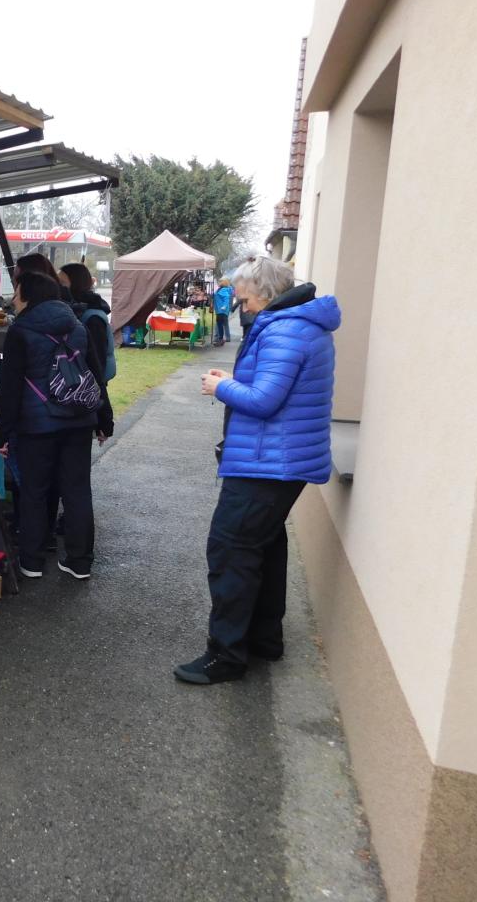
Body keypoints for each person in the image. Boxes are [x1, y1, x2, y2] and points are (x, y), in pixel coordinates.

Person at [174, 257, 341, 685]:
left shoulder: (285, 330)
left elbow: (265, 401)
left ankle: (226, 656)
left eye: (246, 299)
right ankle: (264, 640)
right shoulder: (300, 326)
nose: (242, 307)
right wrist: (235, 377)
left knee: (230, 552)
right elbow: (278, 387)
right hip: (279, 462)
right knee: (264, 548)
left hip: (267, 464)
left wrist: (222, 387)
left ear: (266, 294)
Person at [0, 272, 113, 580]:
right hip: (79, 421)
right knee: (77, 490)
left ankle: (32, 561)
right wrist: (104, 419)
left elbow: (10, 389)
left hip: (37, 426)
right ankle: (80, 561)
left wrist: (1, 434)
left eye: (17, 293)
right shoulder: (77, 326)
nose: (13, 299)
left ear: (29, 296)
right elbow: (95, 374)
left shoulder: (20, 331)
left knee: (34, 491)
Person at [61, 262, 115, 381]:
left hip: (90, 384)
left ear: (76, 284)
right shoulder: (75, 310)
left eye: (62, 283)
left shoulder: (93, 317)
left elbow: (97, 363)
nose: (58, 287)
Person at [212, 277, 234, 346]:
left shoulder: (223, 290)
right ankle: (221, 339)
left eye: (220, 281)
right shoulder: (221, 289)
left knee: (219, 325)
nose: (218, 283)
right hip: (220, 310)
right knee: (220, 325)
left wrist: (224, 306)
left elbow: (226, 298)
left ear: (223, 282)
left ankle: (220, 339)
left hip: (221, 310)